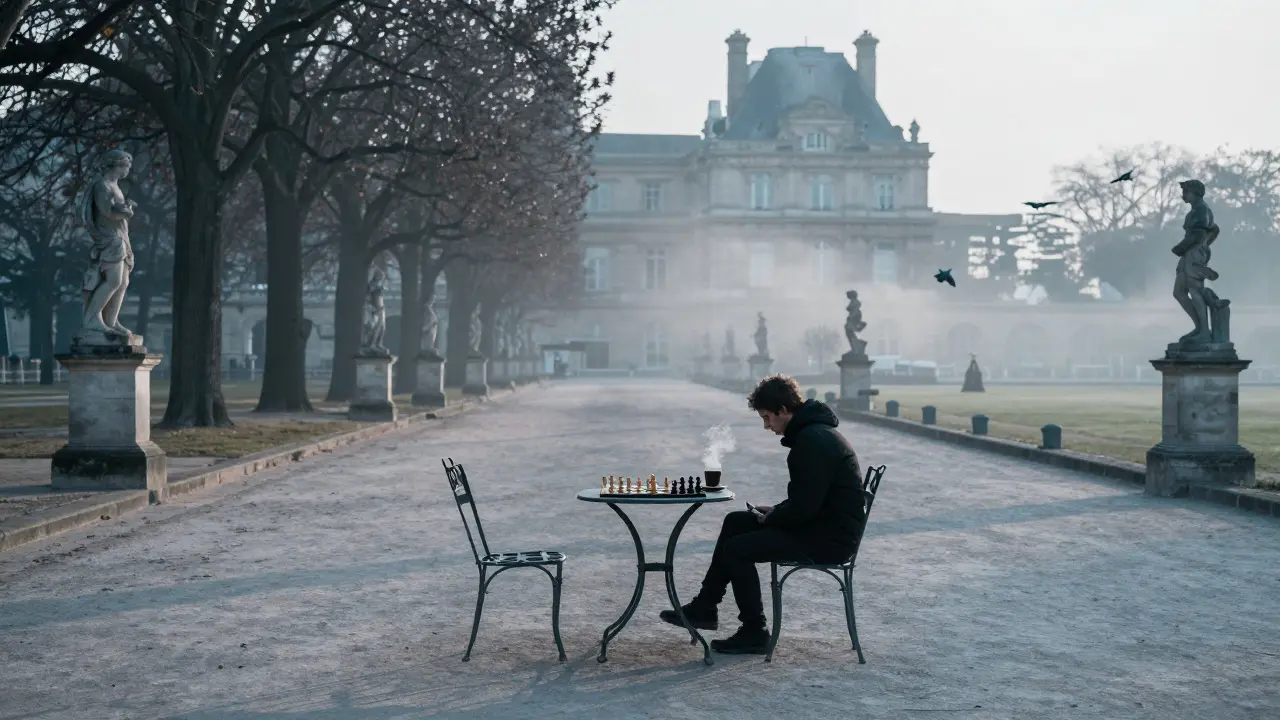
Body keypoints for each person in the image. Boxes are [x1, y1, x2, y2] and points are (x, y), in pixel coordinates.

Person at [660, 374, 866, 654]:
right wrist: (778, 511)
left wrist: (775, 518)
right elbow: (809, 500)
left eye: (767, 417)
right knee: (736, 521)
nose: (767, 426)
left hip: (829, 540)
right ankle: (705, 606)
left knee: (737, 549)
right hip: (824, 527)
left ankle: (755, 631)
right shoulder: (815, 434)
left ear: (783, 410)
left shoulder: (812, 442)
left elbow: (806, 508)